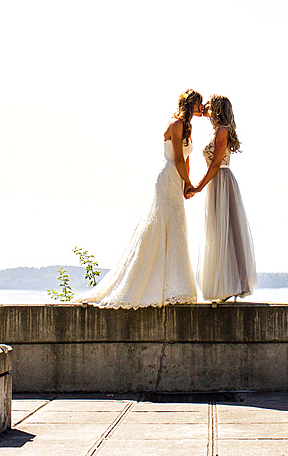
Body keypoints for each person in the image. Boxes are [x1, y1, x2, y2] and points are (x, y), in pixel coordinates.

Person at [77, 90, 201, 308]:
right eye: (200, 104)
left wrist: (186, 184)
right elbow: (179, 159)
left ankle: (175, 286)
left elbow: (187, 159)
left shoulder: (188, 127)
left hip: (177, 180)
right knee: (161, 227)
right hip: (168, 178)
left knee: (177, 228)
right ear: (192, 104)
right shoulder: (176, 124)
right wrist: (188, 182)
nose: (203, 108)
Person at [186, 94, 256, 302]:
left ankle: (236, 284)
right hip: (216, 182)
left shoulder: (223, 131)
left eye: (209, 104)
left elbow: (216, 164)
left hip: (222, 180)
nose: (205, 106)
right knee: (219, 232)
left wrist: (198, 187)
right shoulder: (217, 130)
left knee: (229, 231)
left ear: (216, 108)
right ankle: (228, 285)